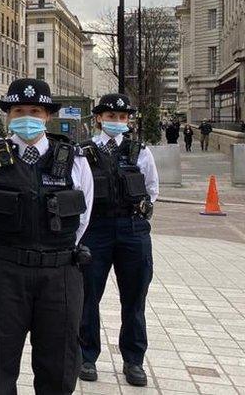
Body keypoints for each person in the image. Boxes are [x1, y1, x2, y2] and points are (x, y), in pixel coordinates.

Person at [0, 78, 94, 394]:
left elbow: (83, 216)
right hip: (4, 273)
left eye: (35, 110)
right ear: (9, 115)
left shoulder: (73, 160)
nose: (28, 117)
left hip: (60, 274)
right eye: (19, 110)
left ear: (48, 115)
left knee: (59, 365)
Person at [77, 93, 159, 387]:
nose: (117, 122)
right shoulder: (83, 151)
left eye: (122, 118)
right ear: (98, 118)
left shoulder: (140, 152)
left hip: (132, 229)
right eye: (111, 117)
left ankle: (133, 360)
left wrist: (137, 219)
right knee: (88, 296)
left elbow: (151, 188)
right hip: (95, 229)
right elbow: (79, 189)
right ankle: (86, 356)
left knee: (135, 298)